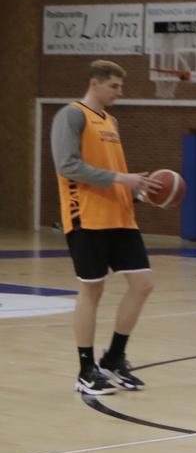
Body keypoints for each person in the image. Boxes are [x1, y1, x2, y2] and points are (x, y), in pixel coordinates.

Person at [51, 59, 155, 396]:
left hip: (121, 217)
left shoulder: (111, 120)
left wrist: (135, 189)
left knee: (143, 284)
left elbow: (112, 171)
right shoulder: (72, 115)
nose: (119, 93)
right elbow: (68, 166)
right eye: (114, 86)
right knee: (92, 291)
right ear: (95, 83)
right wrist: (119, 179)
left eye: (121, 87)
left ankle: (113, 358)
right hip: (87, 217)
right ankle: (85, 369)